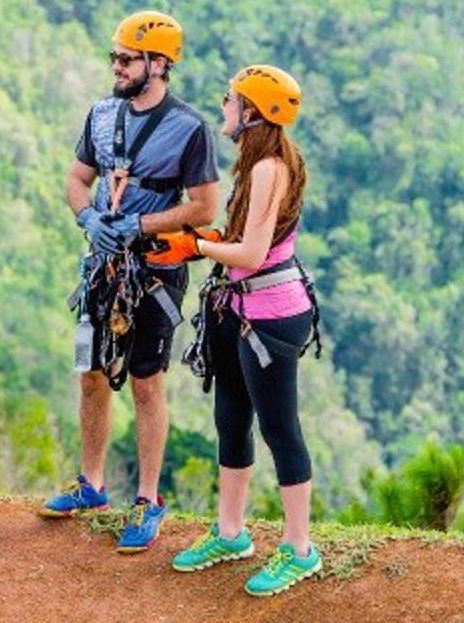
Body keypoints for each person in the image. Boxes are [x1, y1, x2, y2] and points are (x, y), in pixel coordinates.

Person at [39, 10, 220, 555]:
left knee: (146, 382)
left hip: (156, 274)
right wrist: (87, 217)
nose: (116, 67)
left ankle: (147, 498)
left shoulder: (189, 129)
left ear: (159, 64)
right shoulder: (100, 115)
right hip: (101, 268)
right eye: (114, 57)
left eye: (127, 59)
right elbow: (77, 178)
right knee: (90, 373)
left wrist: (141, 224)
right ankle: (91, 484)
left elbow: (206, 206)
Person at [151, 65, 322, 596]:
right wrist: (202, 237)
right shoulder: (259, 166)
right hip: (240, 308)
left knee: (279, 429)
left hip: (269, 314)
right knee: (231, 417)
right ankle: (230, 532)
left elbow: (250, 253)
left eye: (230, 99)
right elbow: (249, 239)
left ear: (252, 112)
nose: (223, 106)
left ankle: (299, 550)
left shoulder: (271, 167)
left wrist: (197, 247)